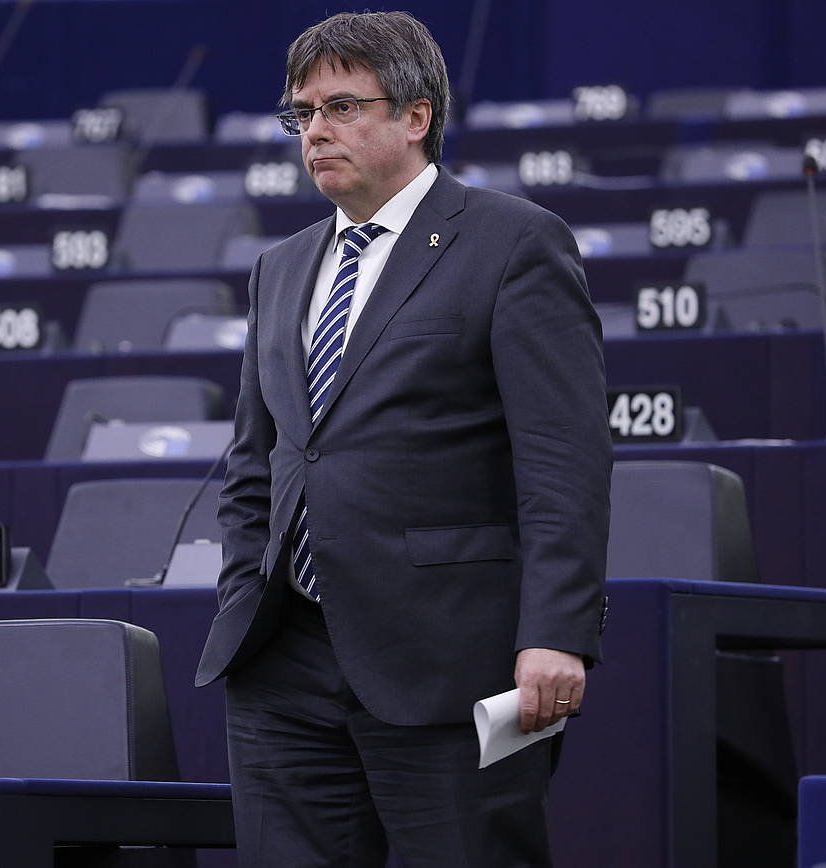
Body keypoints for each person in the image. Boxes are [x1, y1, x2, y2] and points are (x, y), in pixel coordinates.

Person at [195, 11, 611, 867]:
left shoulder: (514, 242)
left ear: (415, 117)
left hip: (451, 661)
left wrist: (556, 631)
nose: (316, 132)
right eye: (301, 113)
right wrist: (246, 590)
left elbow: (561, 459)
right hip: (284, 664)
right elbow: (258, 461)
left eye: (341, 106)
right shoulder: (280, 268)